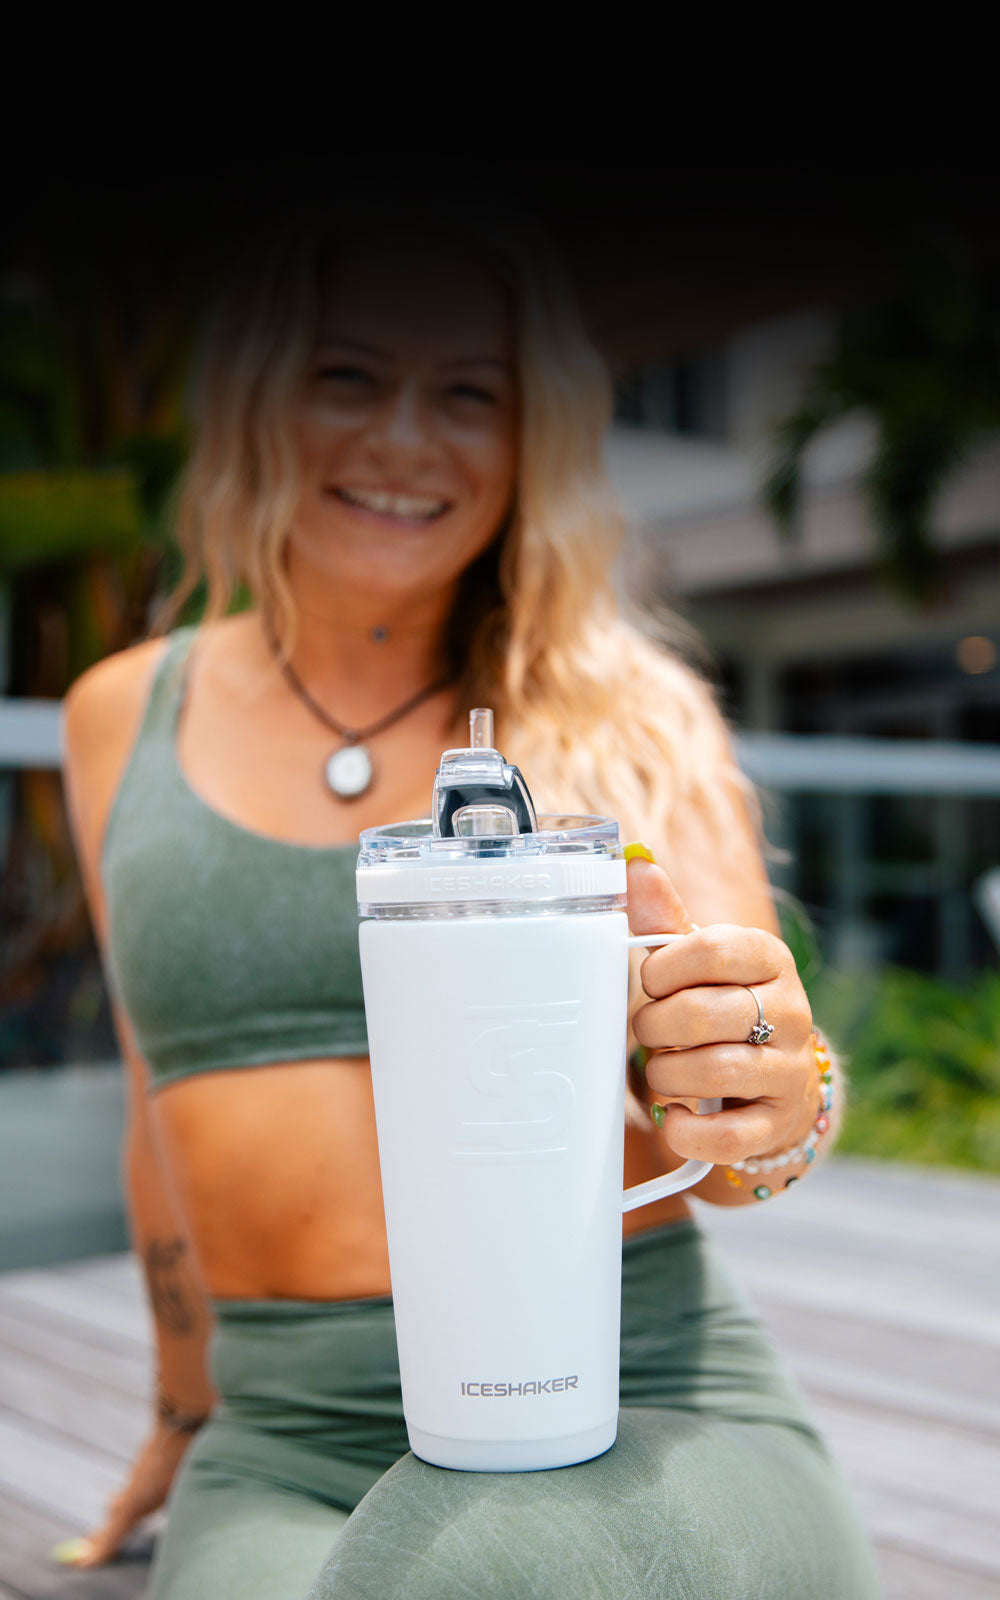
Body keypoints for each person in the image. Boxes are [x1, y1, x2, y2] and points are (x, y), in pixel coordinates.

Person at [59, 197, 882, 1598]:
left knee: (481, 1564)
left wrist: (773, 1102)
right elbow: (161, 1107)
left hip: (645, 1404)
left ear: (529, 443)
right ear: (264, 398)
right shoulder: (119, 715)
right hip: (290, 1443)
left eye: (468, 395)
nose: (402, 439)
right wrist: (182, 1411)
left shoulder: (630, 715)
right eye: (349, 375)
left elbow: (754, 1103)